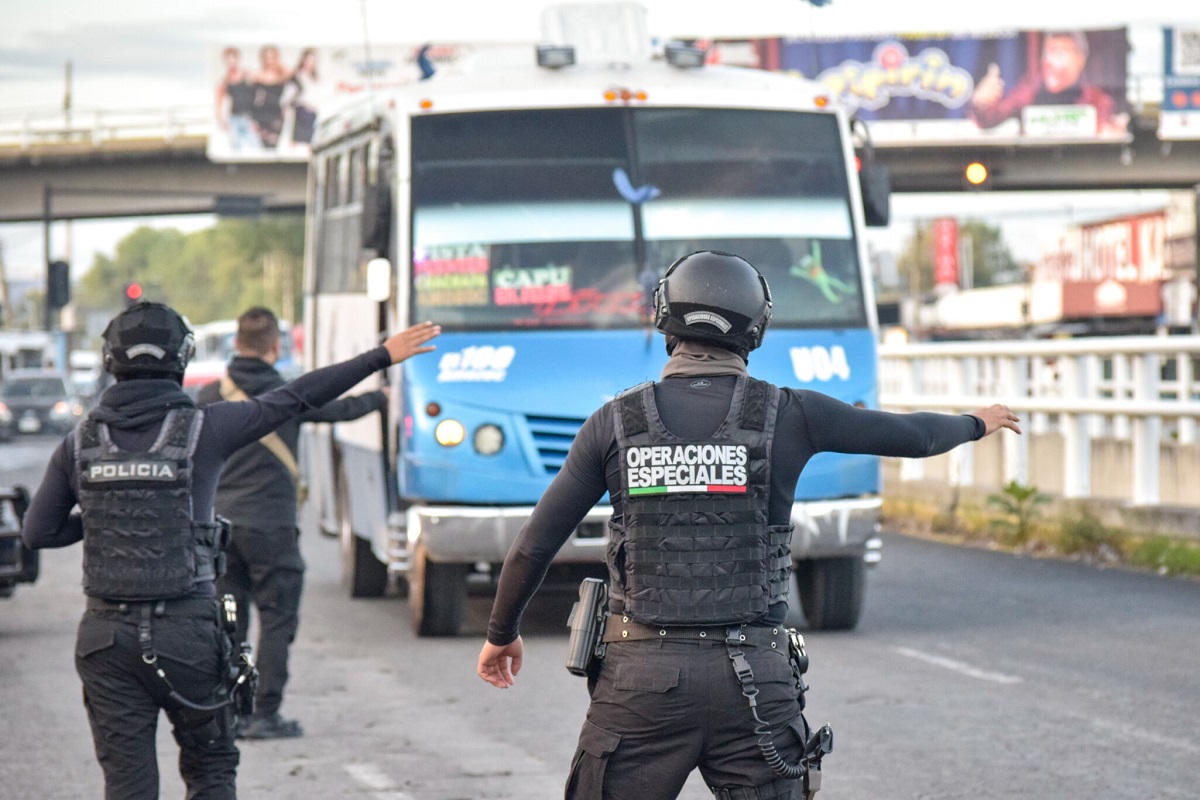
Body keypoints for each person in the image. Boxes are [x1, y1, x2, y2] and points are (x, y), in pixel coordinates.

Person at [476, 250, 1021, 799]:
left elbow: (532, 547)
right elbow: (913, 437)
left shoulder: (614, 423)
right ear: (755, 327)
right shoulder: (791, 413)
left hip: (640, 683)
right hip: (754, 684)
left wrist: (501, 634)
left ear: (665, 319)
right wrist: (976, 423)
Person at [21, 301, 438, 800]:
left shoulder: (78, 442)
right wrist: (381, 356)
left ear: (110, 361)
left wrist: (112, 512)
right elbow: (295, 399)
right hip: (188, 635)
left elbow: (37, 533)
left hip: (105, 641)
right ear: (184, 358)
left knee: (127, 785)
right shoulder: (207, 428)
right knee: (210, 770)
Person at [195, 307, 386, 740]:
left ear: (237, 343)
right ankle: (265, 713)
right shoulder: (287, 394)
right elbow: (343, 408)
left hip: (221, 529)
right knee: (278, 621)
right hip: (272, 527)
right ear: (276, 347)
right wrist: (382, 398)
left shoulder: (208, 398)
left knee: (229, 625)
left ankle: (231, 714)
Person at [969, 30, 1129, 135]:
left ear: (1080, 59)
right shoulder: (1030, 90)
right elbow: (990, 119)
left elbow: (1113, 129)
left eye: (1059, 53)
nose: (1049, 61)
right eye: (1047, 53)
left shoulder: (1100, 100)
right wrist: (981, 103)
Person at [214, 47, 261, 152]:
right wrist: (221, 121)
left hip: (249, 118)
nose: (231, 63)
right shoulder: (224, 81)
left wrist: (257, 118)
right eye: (228, 60)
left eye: (233, 59)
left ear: (237, 59)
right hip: (234, 119)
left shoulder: (248, 76)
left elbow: (259, 96)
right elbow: (219, 104)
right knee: (236, 149)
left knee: (256, 147)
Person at [251, 45, 291, 149]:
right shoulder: (257, 75)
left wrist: (287, 104)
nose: (269, 60)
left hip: (276, 114)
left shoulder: (283, 74)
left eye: (272, 57)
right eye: (267, 57)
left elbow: (297, 88)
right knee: (263, 146)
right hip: (261, 115)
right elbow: (251, 98)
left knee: (274, 144)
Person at [280, 47, 320, 148]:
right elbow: (287, 98)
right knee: (296, 143)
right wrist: (302, 104)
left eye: (313, 60)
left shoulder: (314, 78)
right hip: (300, 114)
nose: (310, 63)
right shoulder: (296, 77)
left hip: (312, 115)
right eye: (308, 60)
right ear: (303, 60)